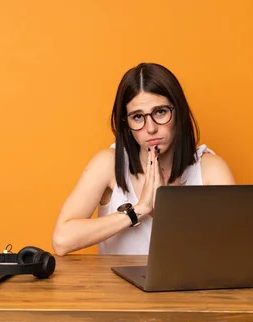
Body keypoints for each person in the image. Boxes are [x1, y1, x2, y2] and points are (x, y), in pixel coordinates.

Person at [51, 62, 236, 256]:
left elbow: (232, 250)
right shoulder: (108, 164)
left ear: (178, 112)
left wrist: (164, 212)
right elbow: (62, 241)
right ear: (126, 124)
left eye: (160, 112)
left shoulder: (210, 169)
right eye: (138, 117)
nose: (150, 128)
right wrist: (139, 210)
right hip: (114, 286)